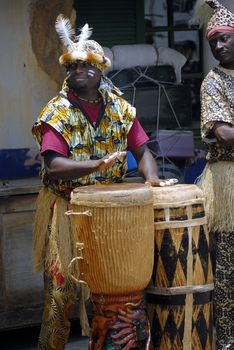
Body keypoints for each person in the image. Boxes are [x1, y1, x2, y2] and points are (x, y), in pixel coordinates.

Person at [32, 14, 177, 350]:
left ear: (101, 69)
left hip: (112, 212)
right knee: (60, 291)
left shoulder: (120, 110)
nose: (77, 72)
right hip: (68, 208)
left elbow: (142, 150)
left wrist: (152, 178)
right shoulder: (57, 111)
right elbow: (53, 166)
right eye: (72, 67)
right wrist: (94, 164)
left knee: (116, 288)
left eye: (85, 66)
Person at [193, 1, 234, 348]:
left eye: (225, 39)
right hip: (227, 183)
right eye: (213, 42)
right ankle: (227, 342)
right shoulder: (212, 83)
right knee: (227, 271)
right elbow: (223, 133)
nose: (219, 46)